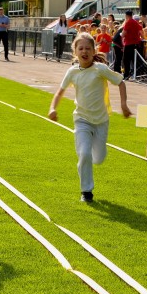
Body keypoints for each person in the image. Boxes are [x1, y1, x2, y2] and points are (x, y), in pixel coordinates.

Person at [48, 33, 131, 202]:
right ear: (75, 52)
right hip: (81, 119)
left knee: (98, 159)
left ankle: (93, 154)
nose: (84, 51)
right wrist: (52, 108)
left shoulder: (100, 69)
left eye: (88, 48)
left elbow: (120, 82)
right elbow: (60, 92)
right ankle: (86, 192)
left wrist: (123, 105)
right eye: (81, 48)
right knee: (84, 154)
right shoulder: (72, 72)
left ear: (94, 51)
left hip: (101, 121)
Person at [120, 11, 143, 80]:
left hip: (129, 43)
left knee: (126, 60)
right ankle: (136, 74)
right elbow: (140, 31)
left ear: (126, 16)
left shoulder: (128, 22)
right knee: (134, 60)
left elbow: (123, 33)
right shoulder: (136, 22)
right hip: (136, 43)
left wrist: (121, 34)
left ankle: (126, 75)